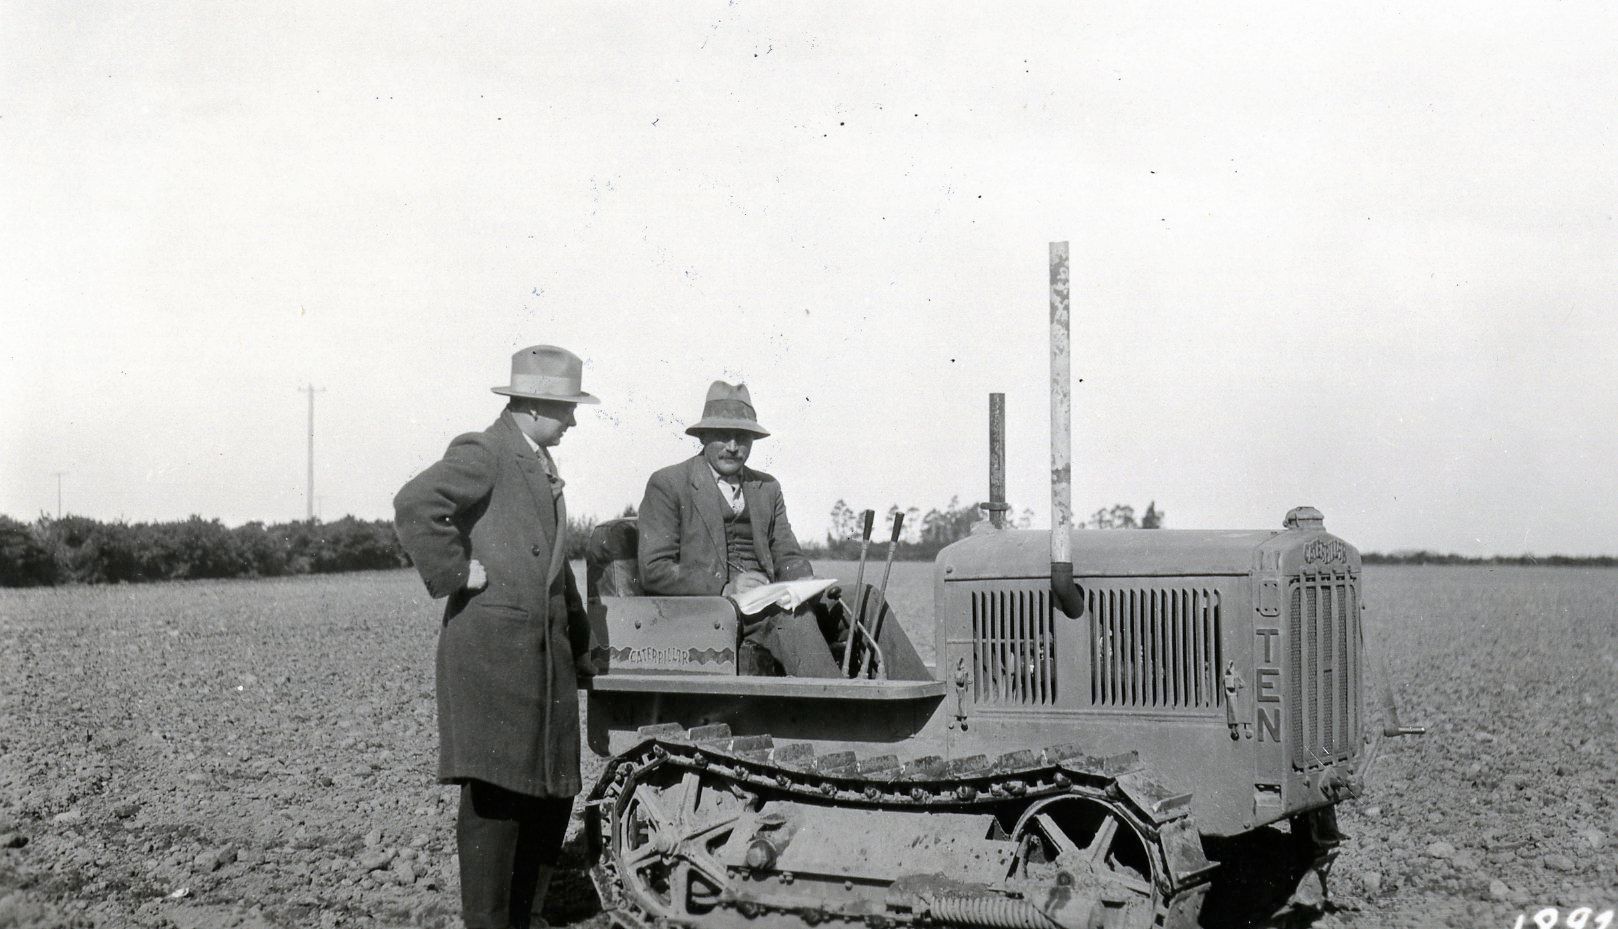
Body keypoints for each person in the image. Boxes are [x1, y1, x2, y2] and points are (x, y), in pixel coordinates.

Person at [393, 344, 598, 929]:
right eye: (566, 409)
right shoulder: (486, 450)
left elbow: (557, 574)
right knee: (498, 796)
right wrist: (457, 570)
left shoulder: (538, 463)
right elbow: (416, 503)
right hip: (495, 655)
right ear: (533, 405)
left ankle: (524, 916)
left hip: (543, 658)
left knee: (551, 793)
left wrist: (581, 649)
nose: (574, 420)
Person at [636, 381, 844, 677]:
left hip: (768, 599)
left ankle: (931, 714)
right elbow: (654, 568)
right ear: (703, 436)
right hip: (713, 610)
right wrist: (725, 587)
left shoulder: (767, 488)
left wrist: (804, 581)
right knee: (790, 618)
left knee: (863, 600)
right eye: (723, 436)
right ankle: (841, 711)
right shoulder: (669, 484)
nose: (733, 447)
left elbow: (786, 553)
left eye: (742, 437)